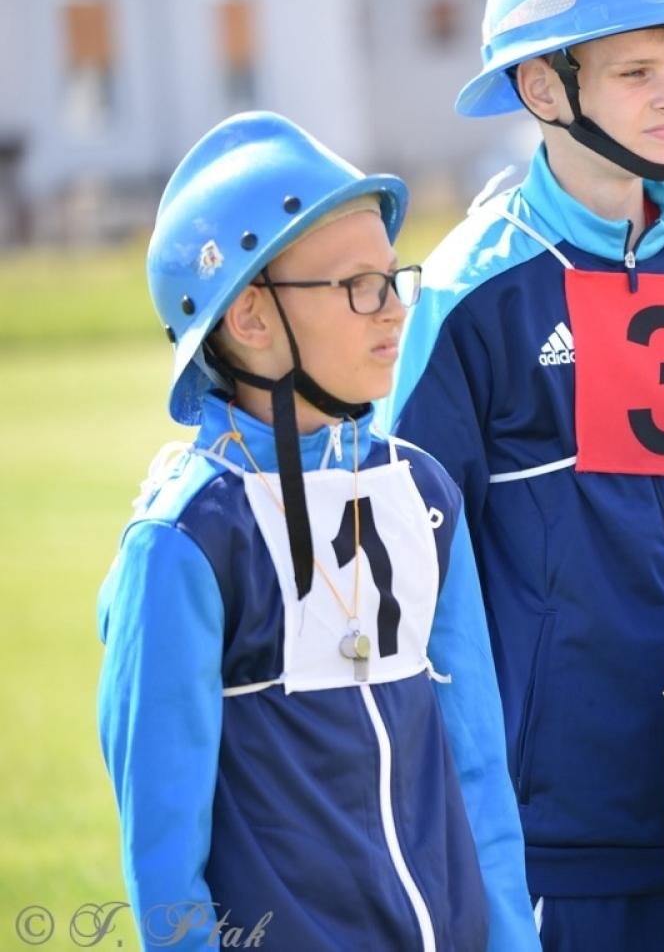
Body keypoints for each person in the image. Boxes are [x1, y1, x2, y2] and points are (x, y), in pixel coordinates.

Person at [377, 0, 664, 950]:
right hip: (559, 818)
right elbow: (406, 578)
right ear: (542, 86)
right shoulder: (466, 295)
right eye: (635, 72)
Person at [96, 111, 537, 951]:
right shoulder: (186, 540)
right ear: (250, 318)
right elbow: (163, 857)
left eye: (392, 277)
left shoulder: (424, 493)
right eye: (356, 286)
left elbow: (479, 767)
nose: (393, 309)